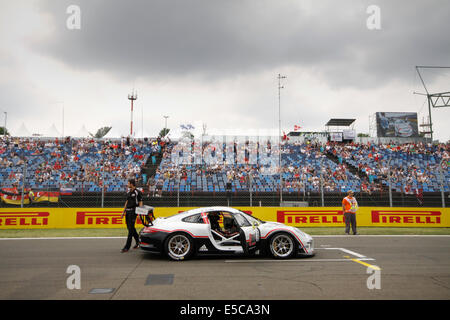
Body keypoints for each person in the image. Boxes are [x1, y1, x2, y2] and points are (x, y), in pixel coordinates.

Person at [120, 179, 143, 253]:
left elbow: (140, 202)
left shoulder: (137, 192)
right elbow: (127, 202)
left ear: (132, 184)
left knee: (130, 230)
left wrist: (139, 213)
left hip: (133, 212)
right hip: (128, 212)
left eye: (128, 183)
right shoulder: (129, 192)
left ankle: (127, 247)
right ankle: (138, 242)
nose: (127, 184)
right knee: (130, 228)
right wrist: (123, 212)